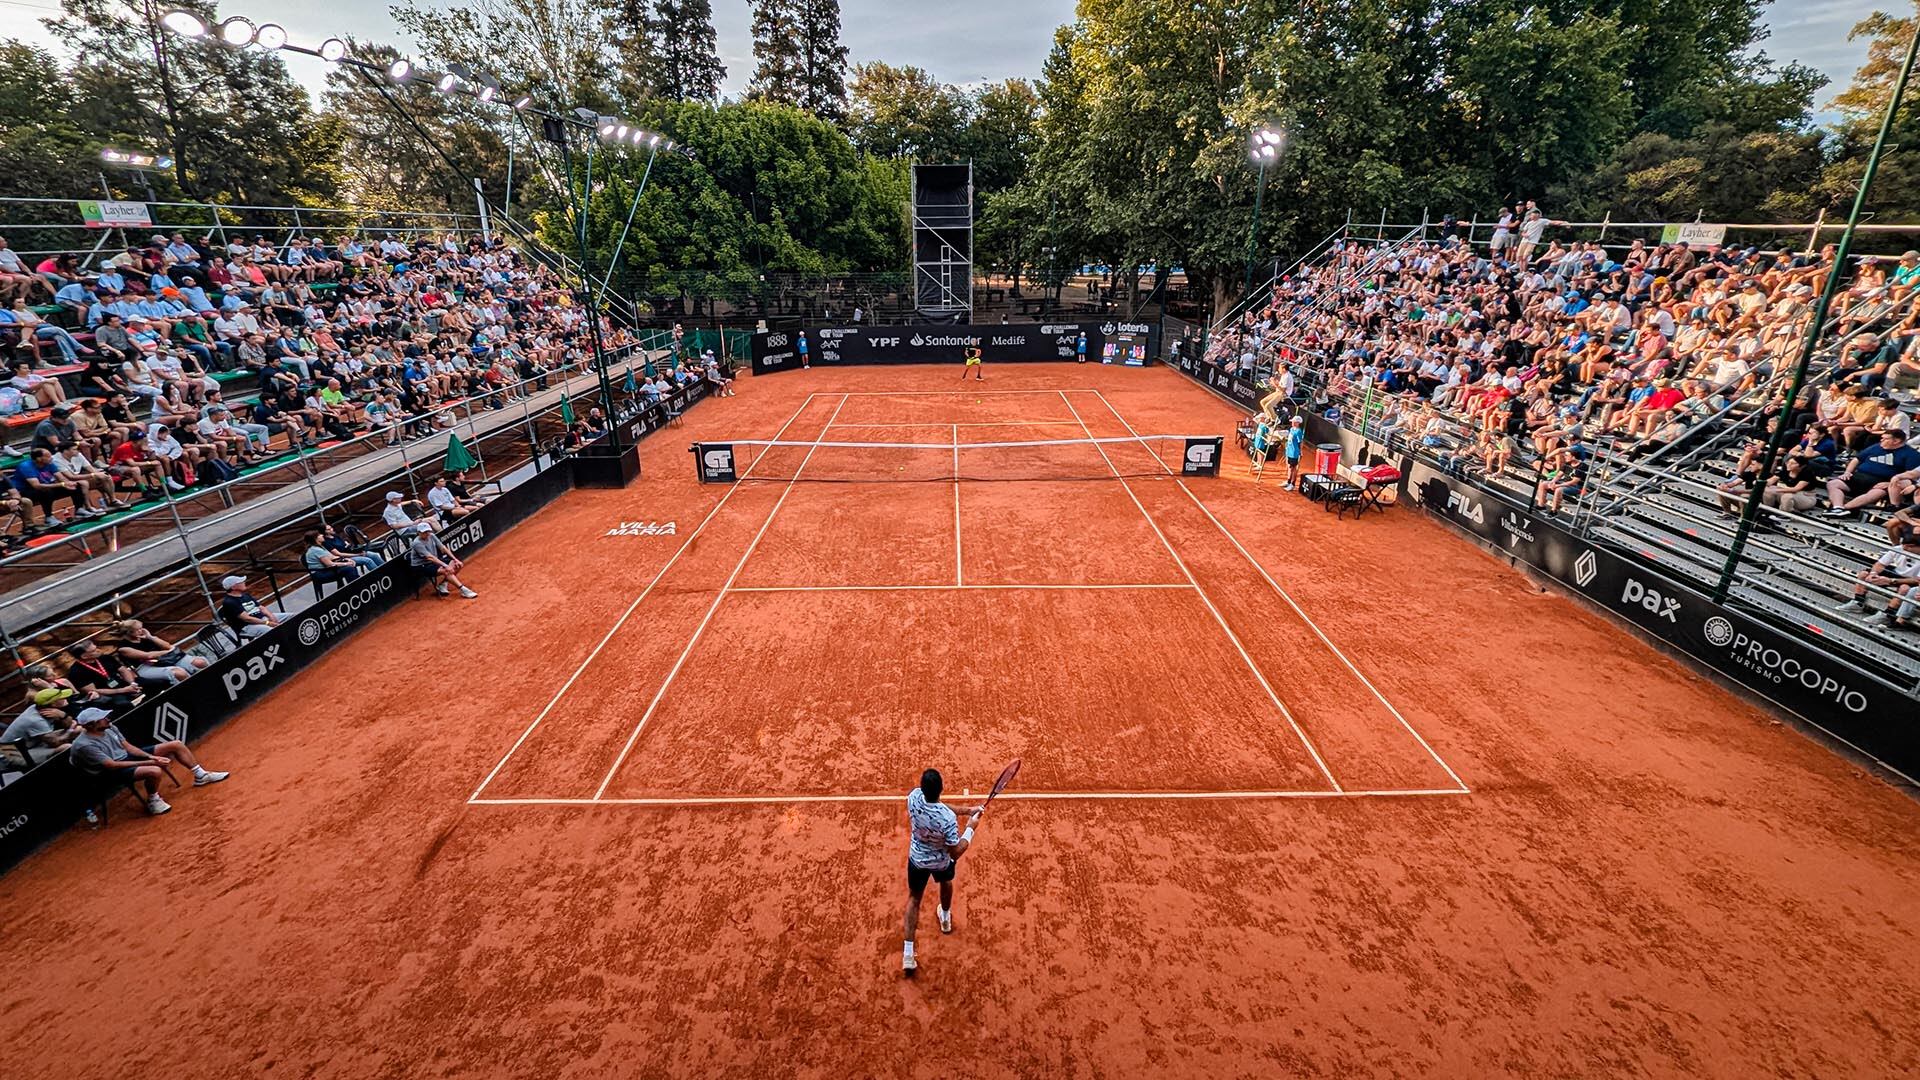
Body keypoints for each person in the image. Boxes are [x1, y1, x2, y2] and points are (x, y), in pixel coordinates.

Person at [68, 707, 228, 816]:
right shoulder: (84, 745)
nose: (108, 718)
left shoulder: (110, 727)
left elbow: (128, 748)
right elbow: (111, 765)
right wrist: (148, 763)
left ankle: (200, 775)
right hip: (108, 772)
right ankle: (153, 800)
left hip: (123, 759)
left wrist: (151, 757)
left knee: (176, 744)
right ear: (91, 725)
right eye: (103, 718)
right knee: (154, 770)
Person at [902, 767, 983, 977]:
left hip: (917, 860)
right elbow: (956, 851)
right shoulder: (947, 820)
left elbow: (937, 806)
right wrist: (971, 827)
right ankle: (945, 918)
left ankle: (908, 954)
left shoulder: (913, 798)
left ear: (923, 788)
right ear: (942, 789)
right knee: (946, 882)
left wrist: (966, 810)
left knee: (914, 898)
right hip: (940, 862)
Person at [1837, 531, 1920, 630]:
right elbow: (1879, 564)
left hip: (1910, 580)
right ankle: (1858, 603)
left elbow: (1917, 580)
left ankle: (1888, 615)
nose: (1905, 549)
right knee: (1864, 574)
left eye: (1910, 547)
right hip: (1896, 573)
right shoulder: (1899, 549)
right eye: (1905, 546)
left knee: (1904, 588)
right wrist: (1873, 574)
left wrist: (1890, 581)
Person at [407, 521, 478, 598]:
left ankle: (443, 585)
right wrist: (445, 565)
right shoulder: (417, 543)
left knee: (457, 565)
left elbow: (443, 548)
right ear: (419, 532)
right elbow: (430, 557)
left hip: (433, 561)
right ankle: (463, 590)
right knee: (446, 570)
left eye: (428, 531)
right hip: (421, 566)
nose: (427, 533)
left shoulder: (432, 536)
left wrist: (455, 559)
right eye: (425, 532)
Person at [1281, 415, 1306, 491]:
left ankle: (1292, 484)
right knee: (1289, 467)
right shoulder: (1291, 429)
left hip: (1295, 452)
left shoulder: (1298, 431)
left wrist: (1300, 451)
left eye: (1294, 422)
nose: (1292, 423)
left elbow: (1301, 442)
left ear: (1298, 423)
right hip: (1289, 451)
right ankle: (1288, 481)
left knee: (1293, 468)